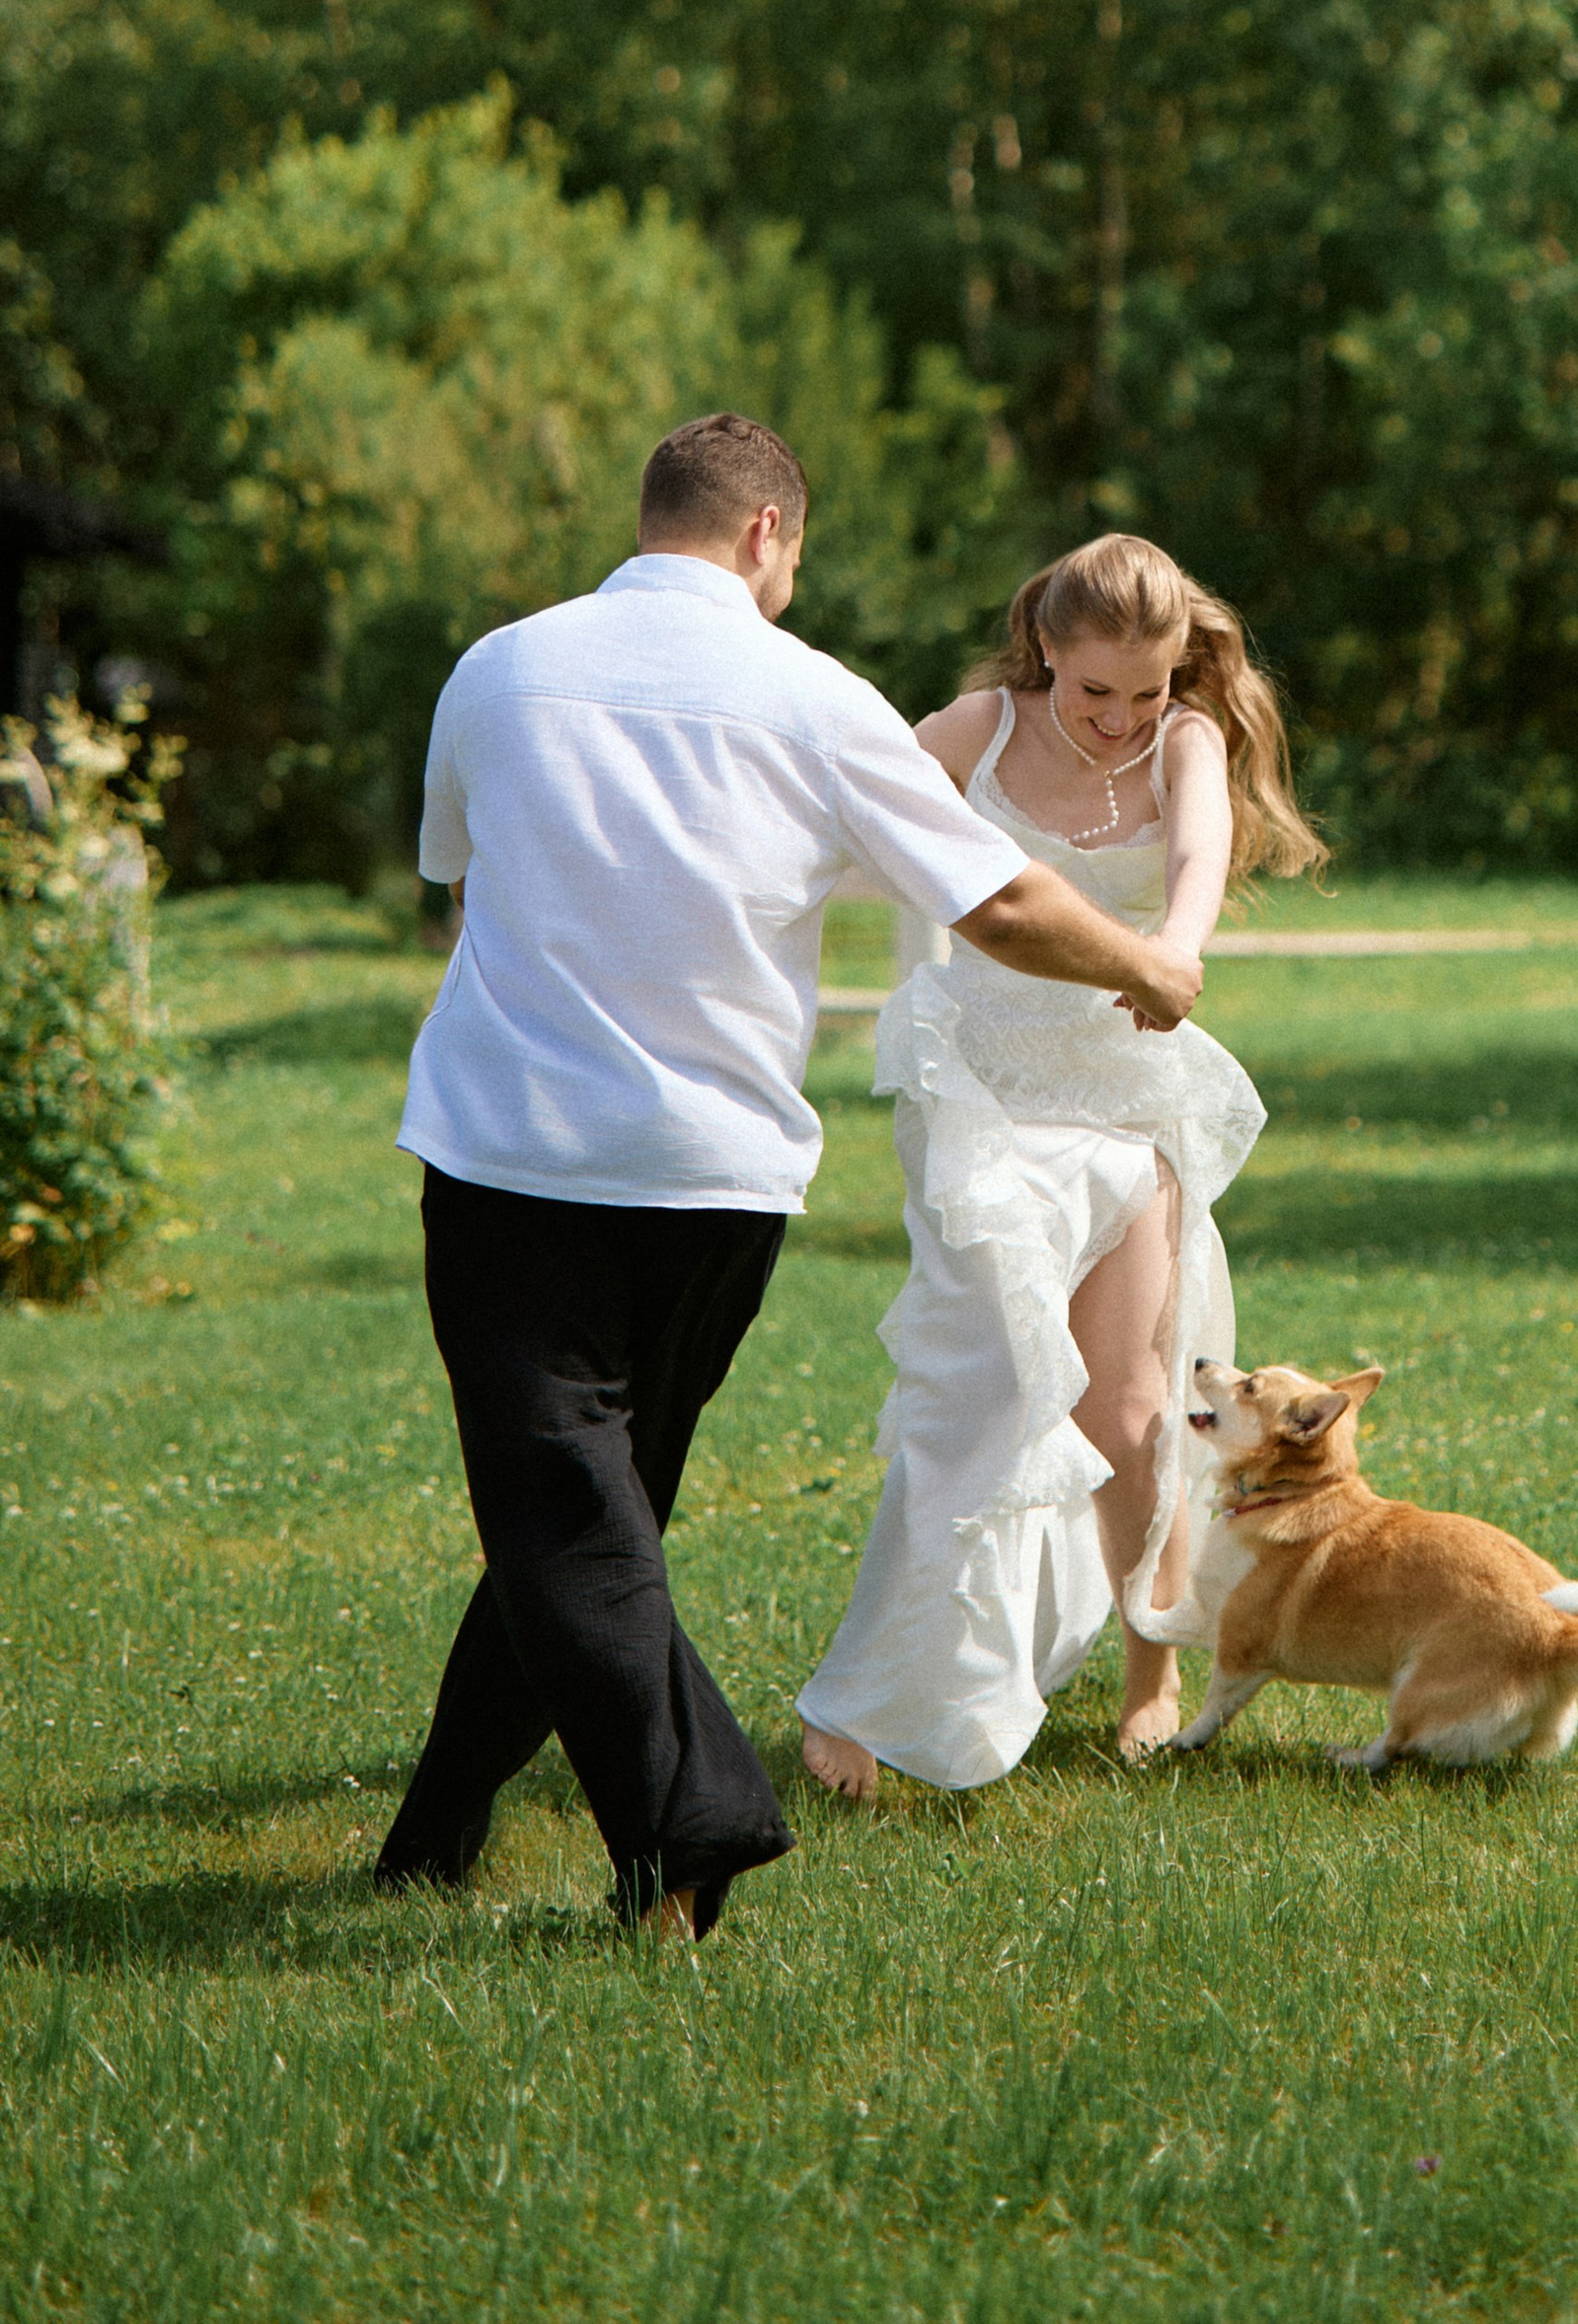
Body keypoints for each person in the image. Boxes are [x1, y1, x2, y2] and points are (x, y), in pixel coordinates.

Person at [373, 417, 1200, 1943]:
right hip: (718, 1186)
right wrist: (1147, 961)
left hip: (513, 1162)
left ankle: (695, 1830)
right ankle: (435, 1831)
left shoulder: (496, 668)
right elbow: (1003, 902)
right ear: (766, 537)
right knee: (591, 1512)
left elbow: (459, 873)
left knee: (567, 1516)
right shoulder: (821, 700)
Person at [795, 533, 1322, 1796]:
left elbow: (1196, 863)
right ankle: (868, 1699)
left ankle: (1155, 1672)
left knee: (1131, 1408)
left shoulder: (1182, 743)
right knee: (979, 1387)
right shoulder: (973, 729)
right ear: (1045, 649)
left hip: (1124, 1094)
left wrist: (1175, 955)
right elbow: (833, 813)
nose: (1119, 719)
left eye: (1146, 692)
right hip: (979, 1086)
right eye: (1096, 693)